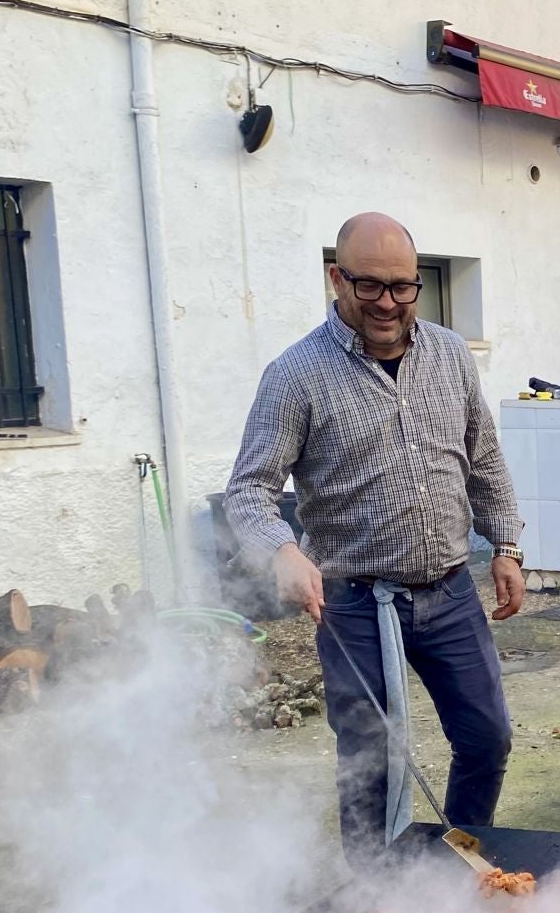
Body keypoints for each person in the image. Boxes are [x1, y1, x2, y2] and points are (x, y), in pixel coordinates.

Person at [225, 212, 525, 862]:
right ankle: (373, 903)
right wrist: (283, 550)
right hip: (354, 604)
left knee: (487, 738)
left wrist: (505, 547)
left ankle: (461, 860)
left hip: (449, 591)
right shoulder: (296, 375)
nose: (389, 303)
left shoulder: (449, 355)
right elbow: (248, 491)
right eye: (369, 287)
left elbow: (486, 459)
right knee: (370, 763)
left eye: (402, 286)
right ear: (337, 278)